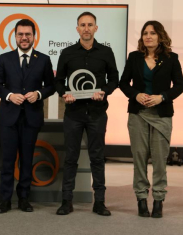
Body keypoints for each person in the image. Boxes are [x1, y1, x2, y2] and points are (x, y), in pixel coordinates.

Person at [55, 12, 118, 216]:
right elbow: (58, 81)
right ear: (77, 29)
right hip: (73, 113)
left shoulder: (106, 52)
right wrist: (64, 93)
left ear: (96, 28)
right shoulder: (67, 53)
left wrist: (105, 91)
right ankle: (67, 201)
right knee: (71, 157)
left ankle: (99, 201)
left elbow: (114, 79)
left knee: (97, 158)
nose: (86, 28)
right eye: (82, 25)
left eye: (90, 24)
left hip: (97, 113)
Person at [119, 20, 183, 218]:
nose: (148, 36)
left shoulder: (171, 59)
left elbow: (180, 86)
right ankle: (141, 198)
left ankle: (158, 200)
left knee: (159, 160)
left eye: (153, 33)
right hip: (138, 114)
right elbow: (123, 83)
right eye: (145, 33)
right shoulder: (134, 57)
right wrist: (136, 94)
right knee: (139, 157)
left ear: (160, 36)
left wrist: (162, 96)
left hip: (161, 115)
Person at [0, 19, 55, 213]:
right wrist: (10, 96)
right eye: (20, 34)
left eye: (28, 34)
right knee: (8, 160)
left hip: (32, 116)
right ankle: (4, 200)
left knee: (27, 159)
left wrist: (39, 94)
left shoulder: (43, 59)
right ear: (15, 36)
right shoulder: (4, 58)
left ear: (34, 36)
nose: (24, 38)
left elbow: (52, 86)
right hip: (8, 117)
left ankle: (24, 198)